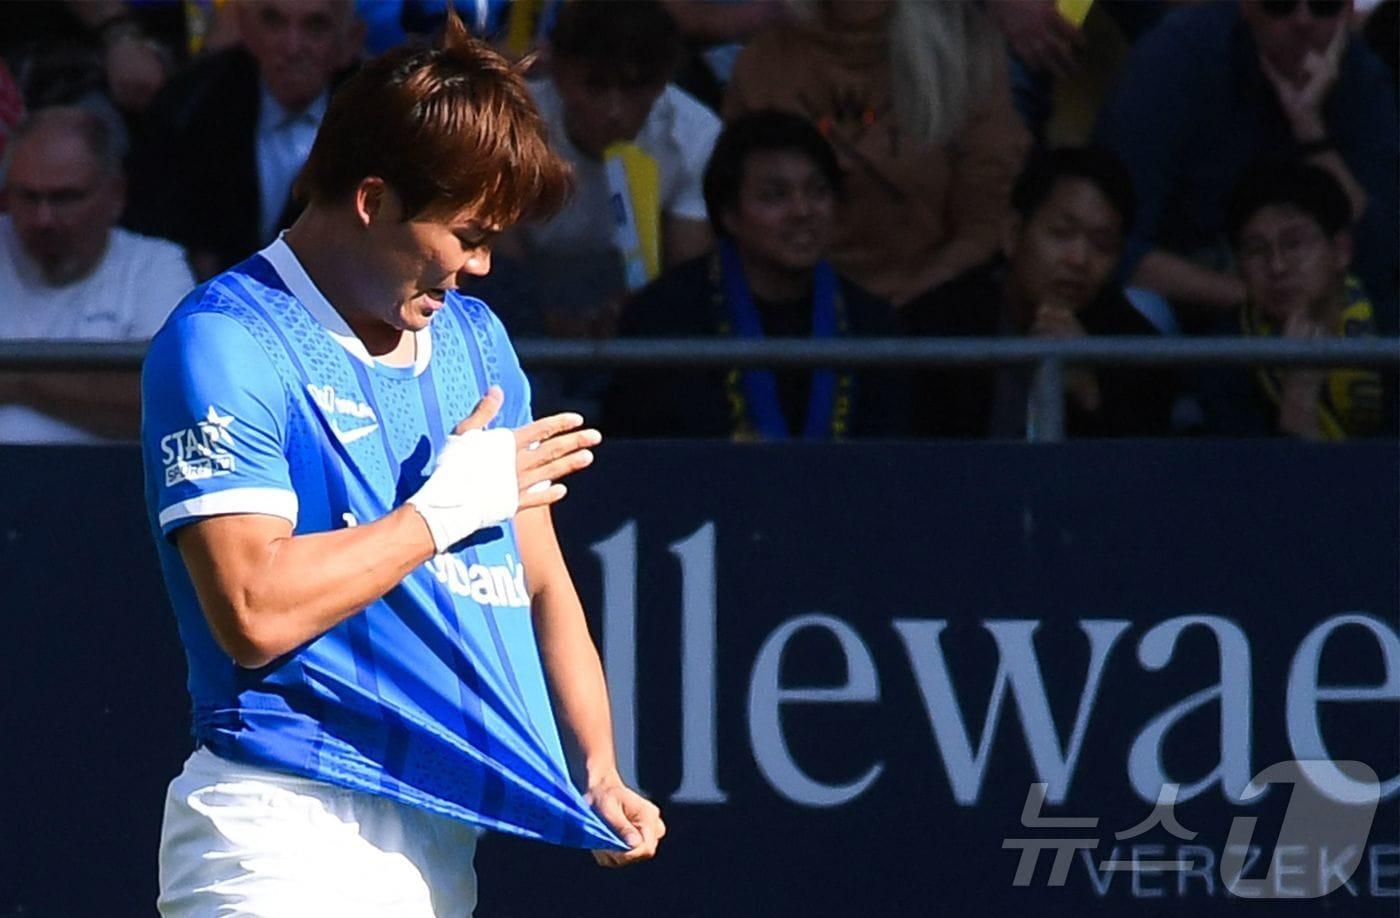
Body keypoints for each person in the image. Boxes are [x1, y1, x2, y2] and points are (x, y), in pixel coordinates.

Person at [141, 13, 662, 915]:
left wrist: (599, 768)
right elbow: (252, 612)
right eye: (467, 233)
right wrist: (439, 514)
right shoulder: (223, 341)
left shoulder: (477, 341)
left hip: (439, 843)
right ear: (373, 199)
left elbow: (538, 577)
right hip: (279, 823)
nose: (483, 266)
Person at [1094, 0, 1399, 332]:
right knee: (1136, 305)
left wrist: (1311, 130)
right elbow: (1113, 244)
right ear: (1246, 5)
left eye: (1323, 4)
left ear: (1347, 11)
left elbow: (1381, 258)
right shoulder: (1175, 57)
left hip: (1325, 306)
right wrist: (1257, 298)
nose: (1303, 20)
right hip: (1188, 302)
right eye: (1280, 4)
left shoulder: (1364, 77)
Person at [603, 110, 906, 439]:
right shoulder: (663, 318)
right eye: (775, 195)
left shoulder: (871, 323)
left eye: (817, 191)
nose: (802, 210)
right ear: (729, 213)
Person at [723, 0, 1029, 305]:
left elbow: (986, 215)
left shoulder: (964, 53)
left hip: (930, 304)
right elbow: (733, 204)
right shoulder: (764, 61)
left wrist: (908, 301)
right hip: (789, 307)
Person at [902, 146, 1174, 439]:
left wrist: (1089, 393)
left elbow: (1145, 459)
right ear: (1012, 234)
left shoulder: (1137, 350)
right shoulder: (938, 326)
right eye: (1061, 233)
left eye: (1102, 244)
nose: (1079, 259)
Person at [126, 0, 365, 279]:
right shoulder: (188, 107)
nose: (292, 47)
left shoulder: (379, 119)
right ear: (247, 30)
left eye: (315, 26)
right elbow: (158, 239)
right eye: (274, 22)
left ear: (350, 41)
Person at [0, 106, 193, 444]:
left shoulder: (154, 267)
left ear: (115, 194)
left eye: (64, 198)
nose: (43, 219)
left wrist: (16, 381)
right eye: (28, 197)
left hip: (107, 476)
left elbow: (169, 398)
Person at [1196, 159, 1386, 439]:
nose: (1277, 267)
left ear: (1341, 250)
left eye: (1294, 244)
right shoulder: (1222, 354)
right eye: (1257, 250)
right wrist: (1299, 394)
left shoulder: (1391, 328)